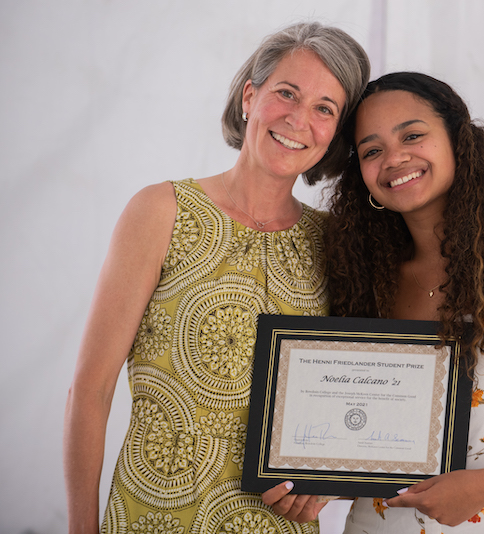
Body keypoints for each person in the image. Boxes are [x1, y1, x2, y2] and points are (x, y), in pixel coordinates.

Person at [264, 72, 484, 532]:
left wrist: (480, 488)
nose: (394, 159)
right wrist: (324, 479)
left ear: (458, 141)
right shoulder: (362, 275)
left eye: (413, 135)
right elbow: (371, 435)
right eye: (372, 151)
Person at [63, 22, 370, 534]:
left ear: (335, 134)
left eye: (324, 108)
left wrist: (332, 475)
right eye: (286, 93)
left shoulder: (334, 242)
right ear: (250, 97)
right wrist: (80, 528)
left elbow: (358, 396)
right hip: (155, 516)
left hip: (278, 524)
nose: (298, 118)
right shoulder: (162, 211)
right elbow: (90, 390)